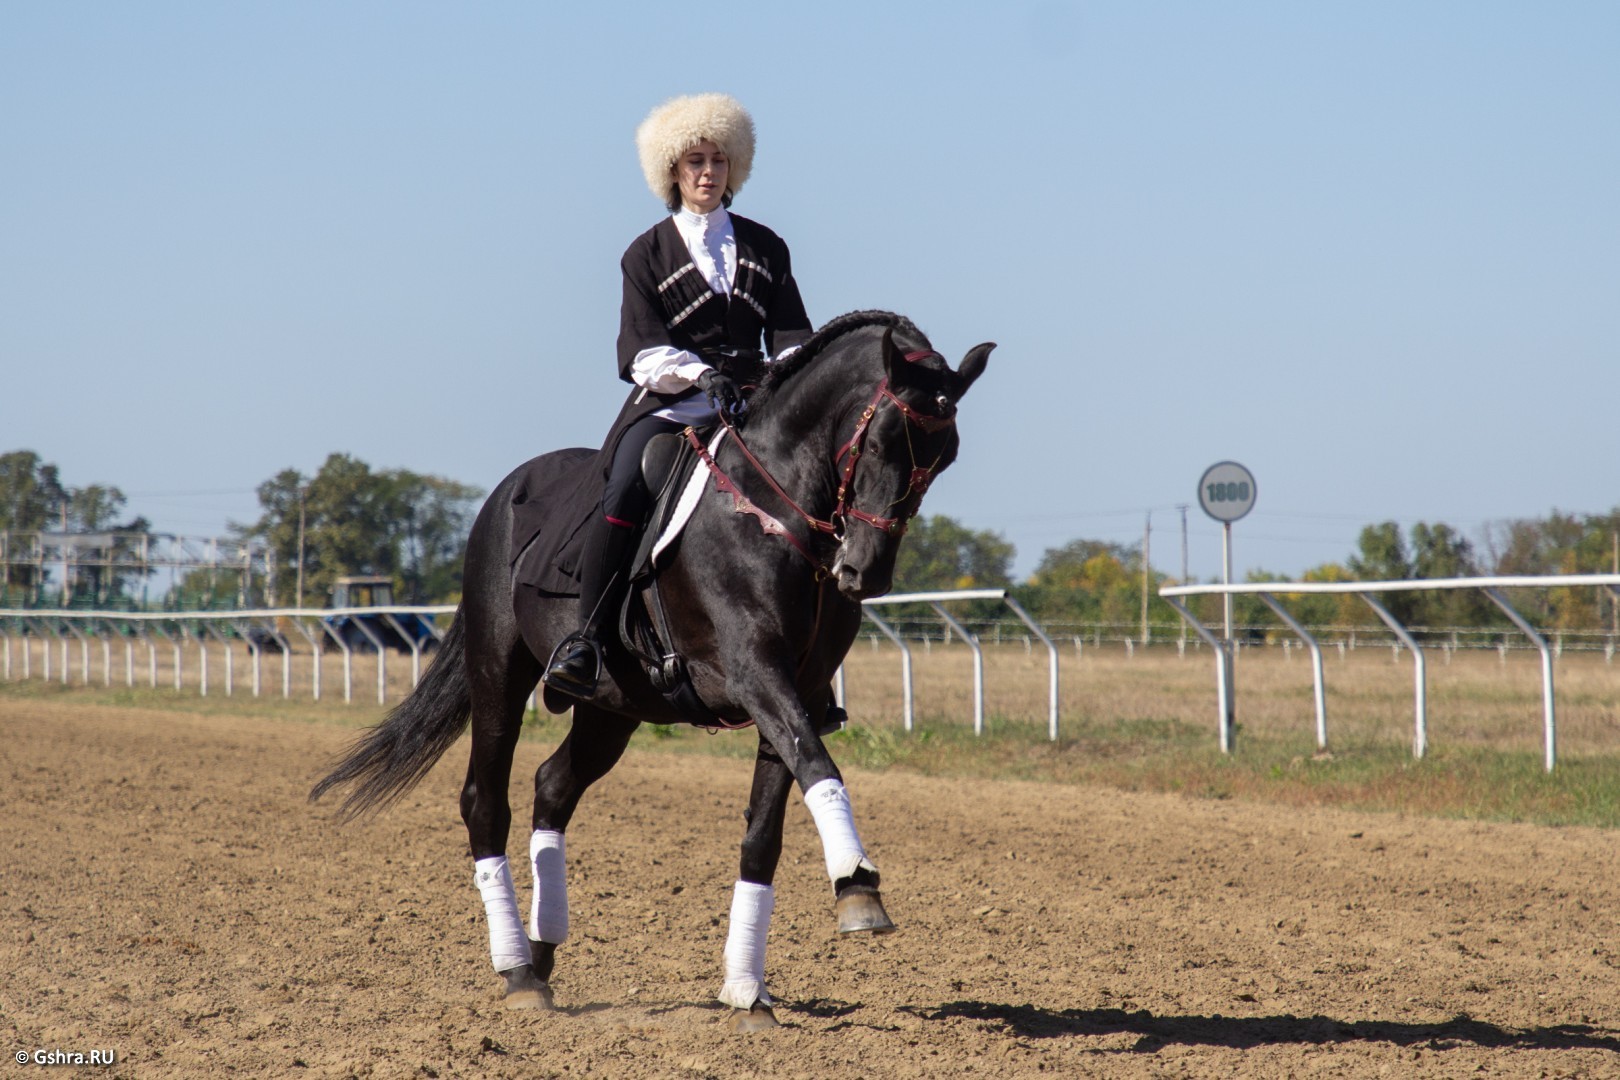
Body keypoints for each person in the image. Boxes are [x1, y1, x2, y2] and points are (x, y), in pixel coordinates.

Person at [543, 93, 813, 698]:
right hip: (674, 402)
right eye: (695, 161)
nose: (708, 173)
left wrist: (788, 380)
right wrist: (696, 375)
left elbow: (794, 335)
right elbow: (641, 350)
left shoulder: (768, 247)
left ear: (733, 168)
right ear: (673, 170)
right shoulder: (645, 253)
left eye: (718, 160)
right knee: (626, 482)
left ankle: (809, 666)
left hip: (754, 402)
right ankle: (585, 639)